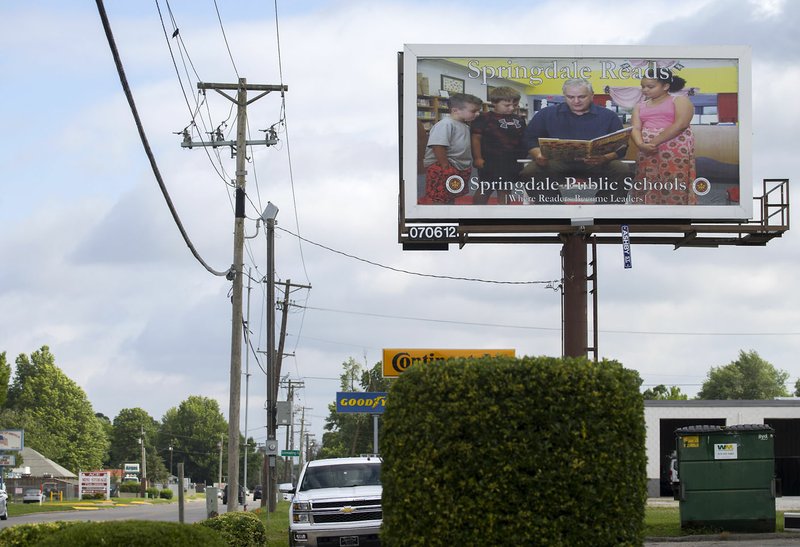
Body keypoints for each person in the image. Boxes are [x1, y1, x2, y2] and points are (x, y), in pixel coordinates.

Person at [520, 78, 631, 203]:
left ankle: (603, 210)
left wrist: (605, 158)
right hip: (557, 162)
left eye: (582, 97)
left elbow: (622, 147)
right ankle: (554, 211)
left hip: (597, 162)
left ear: (592, 95)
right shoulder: (546, 114)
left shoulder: (608, 116)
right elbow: (530, 138)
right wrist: (538, 154)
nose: (576, 101)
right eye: (570, 97)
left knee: (622, 171)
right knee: (530, 172)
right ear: (564, 96)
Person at [630, 69, 696, 205]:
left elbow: (681, 124)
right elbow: (635, 128)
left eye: (650, 87)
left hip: (672, 150)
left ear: (665, 86)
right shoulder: (639, 106)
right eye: (643, 86)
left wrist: (653, 143)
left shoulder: (679, 100)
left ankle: (675, 218)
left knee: (673, 181)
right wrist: (641, 144)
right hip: (647, 151)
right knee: (647, 181)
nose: (645, 90)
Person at [470, 86, 527, 205]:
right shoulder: (484, 118)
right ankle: (476, 211)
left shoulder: (519, 120)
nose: (512, 108)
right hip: (490, 160)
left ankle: (504, 214)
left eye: (515, 105)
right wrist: (477, 158)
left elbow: (523, 139)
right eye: (507, 105)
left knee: (505, 189)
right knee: (485, 188)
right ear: (494, 102)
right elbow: (476, 139)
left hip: (511, 160)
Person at [423, 93, 483, 203]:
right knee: (439, 197)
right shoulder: (445, 124)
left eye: (478, 111)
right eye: (473, 111)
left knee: (451, 194)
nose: (478, 114)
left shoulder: (464, 125)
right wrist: (445, 166)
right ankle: (439, 218)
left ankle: (449, 215)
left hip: (458, 167)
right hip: (443, 167)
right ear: (455, 110)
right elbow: (438, 146)